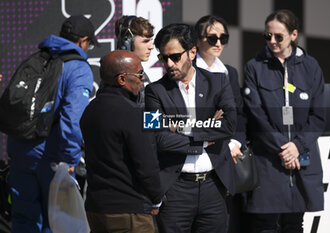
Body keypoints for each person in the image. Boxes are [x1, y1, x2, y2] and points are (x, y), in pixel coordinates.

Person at [7, 15, 98, 233]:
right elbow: (73, 118)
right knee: (58, 223)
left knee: (23, 220)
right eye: (90, 44)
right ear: (82, 40)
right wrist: (68, 159)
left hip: (19, 151)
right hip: (53, 157)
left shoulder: (35, 59)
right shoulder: (78, 68)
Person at [145, 23, 237, 233]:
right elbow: (157, 138)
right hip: (175, 189)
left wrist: (180, 127)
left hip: (214, 185)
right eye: (163, 58)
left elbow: (230, 125)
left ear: (192, 52)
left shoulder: (219, 81)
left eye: (175, 57)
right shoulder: (154, 91)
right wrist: (205, 137)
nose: (169, 64)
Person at [242, 9, 325, 233]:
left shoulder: (311, 67)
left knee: (294, 223)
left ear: (294, 35)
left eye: (279, 36)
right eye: (268, 36)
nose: (272, 41)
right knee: (265, 224)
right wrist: (283, 148)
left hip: (301, 160)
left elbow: (318, 116)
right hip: (268, 159)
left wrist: (297, 146)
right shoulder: (254, 66)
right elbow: (256, 115)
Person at [80, 50, 163, 233]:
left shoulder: (90, 110)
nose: (143, 78)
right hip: (129, 212)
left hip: (96, 208)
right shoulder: (134, 114)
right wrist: (157, 198)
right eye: (139, 73)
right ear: (122, 79)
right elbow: (147, 164)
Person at [195, 15, 247, 233]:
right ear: (197, 40)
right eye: (212, 37)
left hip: (226, 163)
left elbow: (239, 115)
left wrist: (235, 142)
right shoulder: (187, 71)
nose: (218, 43)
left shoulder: (230, 72)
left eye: (223, 37)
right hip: (194, 161)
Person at [115, 15, 155, 106]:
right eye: (145, 41)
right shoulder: (125, 78)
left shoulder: (137, 74)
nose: (151, 47)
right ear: (127, 42)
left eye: (151, 41)